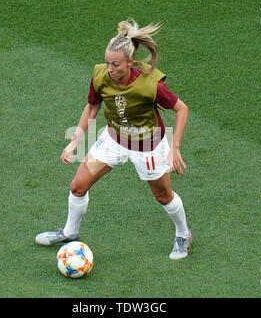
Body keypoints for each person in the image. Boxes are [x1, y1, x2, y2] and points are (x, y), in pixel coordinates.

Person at [36, 18, 191, 260]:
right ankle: (70, 232)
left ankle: (183, 234)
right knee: (77, 186)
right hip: (114, 139)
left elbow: (182, 109)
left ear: (130, 62)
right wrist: (74, 140)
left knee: (163, 196)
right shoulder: (100, 75)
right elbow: (91, 108)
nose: (110, 69)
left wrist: (175, 148)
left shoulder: (150, 84)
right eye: (108, 63)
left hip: (149, 146)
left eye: (116, 64)